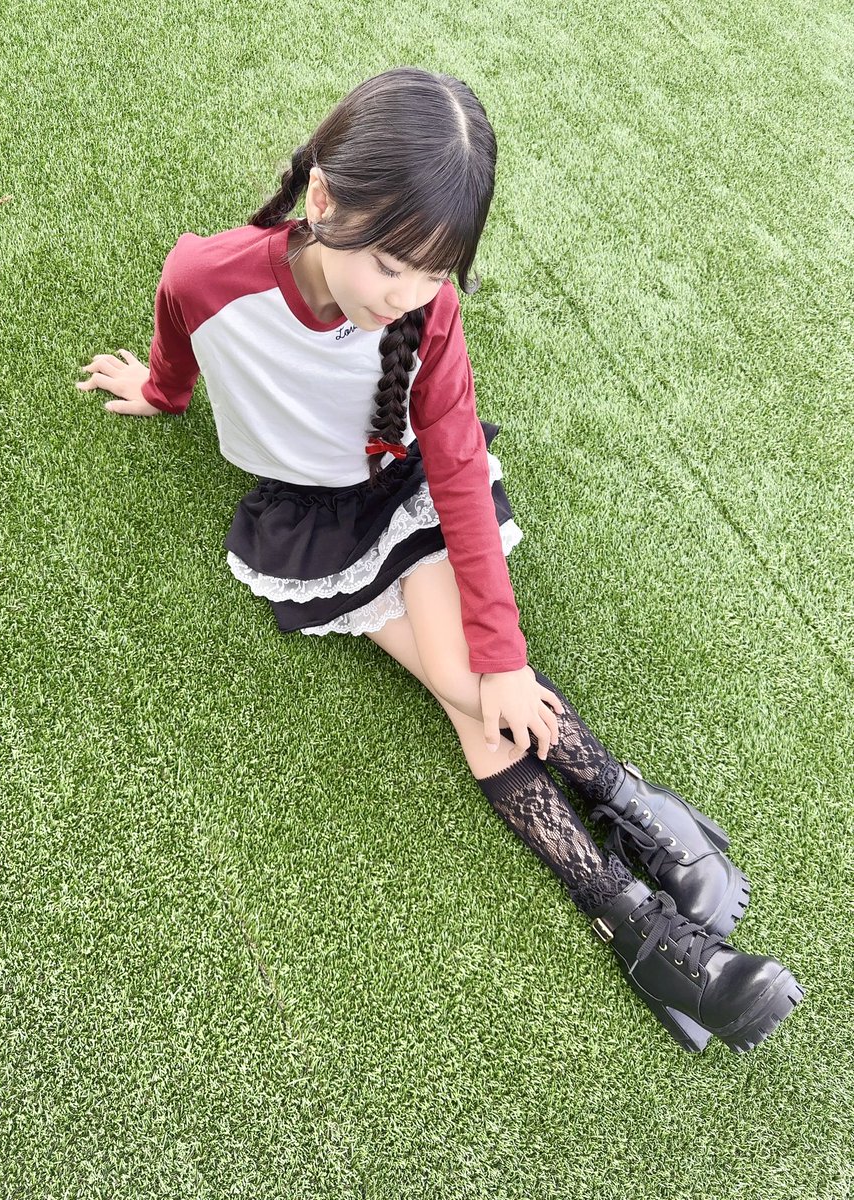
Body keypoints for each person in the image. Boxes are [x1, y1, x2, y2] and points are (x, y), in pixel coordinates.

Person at [76, 66, 803, 1052]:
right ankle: (632, 831)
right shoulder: (214, 274)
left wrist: (505, 655)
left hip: (405, 490)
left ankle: (635, 914)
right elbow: (178, 317)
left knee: (474, 683)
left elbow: (456, 469)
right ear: (322, 200)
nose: (410, 295)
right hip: (316, 523)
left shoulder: (427, 316)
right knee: (468, 694)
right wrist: (162, 392)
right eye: (392, 266)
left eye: (435, 274)